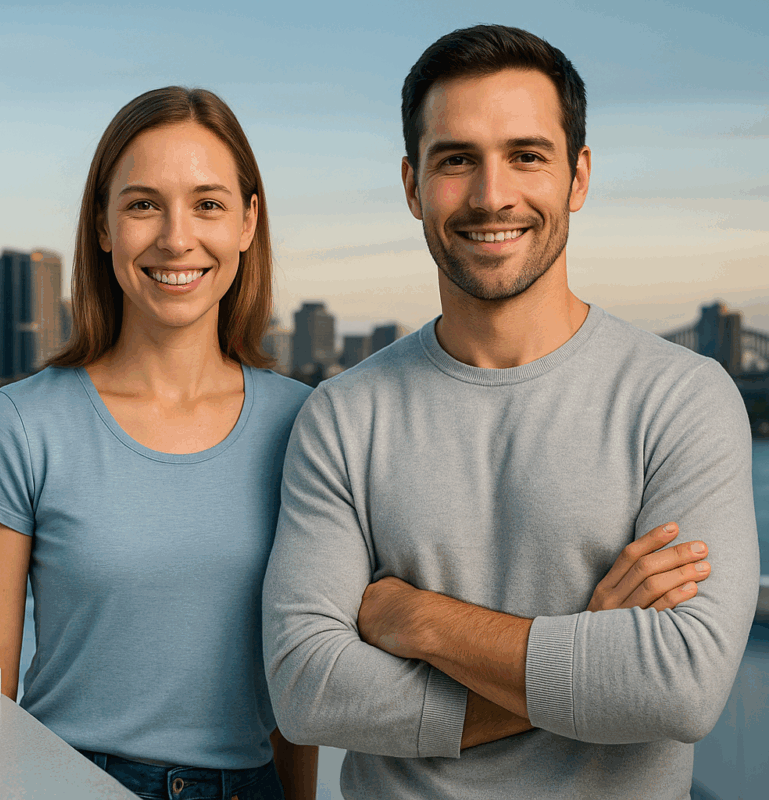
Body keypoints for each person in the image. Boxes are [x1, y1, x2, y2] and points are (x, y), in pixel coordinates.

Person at [262, 24, 759, 800]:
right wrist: (585, 653)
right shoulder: (343, 416)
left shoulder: (681, 400)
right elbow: (306, 690)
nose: (493, 195)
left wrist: (420, 621)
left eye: (527, 155)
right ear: (411, 185)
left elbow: (680, 688)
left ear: (578, 177)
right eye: (456, 160)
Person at [0, 87, 318, 800]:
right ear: (103, 227)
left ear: (248, 222)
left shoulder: (303, 424)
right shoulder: (20, 425)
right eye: (143, 204)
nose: (176, 239)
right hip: (68, 781)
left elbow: (297, 679)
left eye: (207, 204)